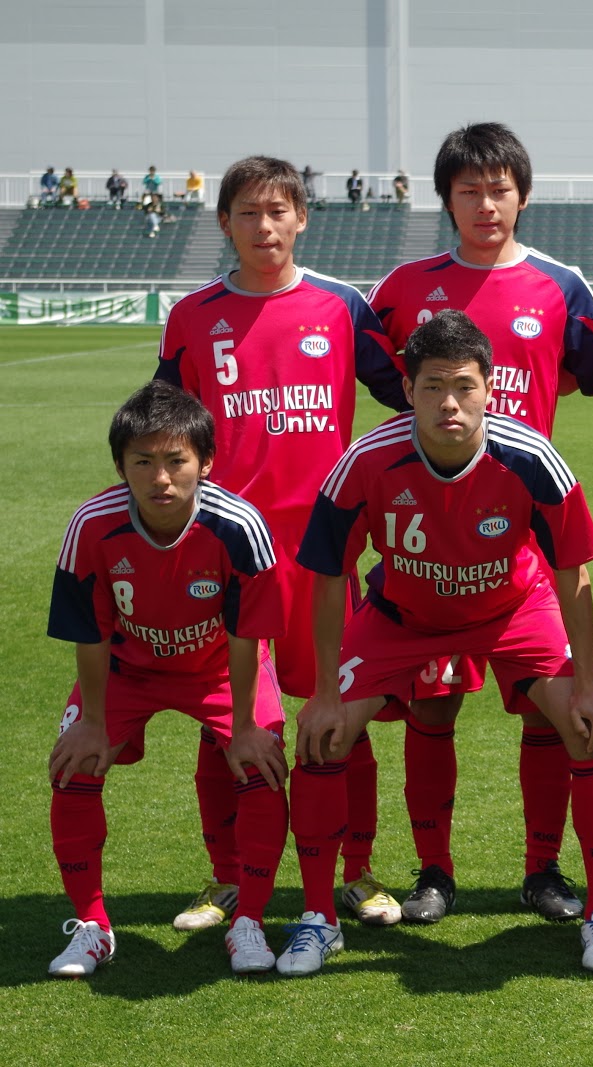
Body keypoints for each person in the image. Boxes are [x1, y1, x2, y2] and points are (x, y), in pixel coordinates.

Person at [290, 309, 593, 976]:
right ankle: (318, 918)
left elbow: (573, 570)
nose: (450, 402)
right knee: (324, 736)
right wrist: (325, 692)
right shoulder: (366, 461)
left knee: (588, 728)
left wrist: (589, 683)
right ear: (407, 389)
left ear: (490, 388)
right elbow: (328, 576)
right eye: (433, 386)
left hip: (512, 607)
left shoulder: (532, 458)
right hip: (405, 615)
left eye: (465, 386)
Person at [156, 155, 412, 935]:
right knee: (230, 723)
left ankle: (355, 871)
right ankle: (230, 876)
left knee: (342, 717)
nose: (264, 226)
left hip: (323, 553)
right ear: (225, 222)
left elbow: (412, 394)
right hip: (230, 556)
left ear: (301, 217)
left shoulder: (341, 306)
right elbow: (164, 430)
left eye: (278, 211)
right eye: (248, 212)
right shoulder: (193, 316)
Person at [366, 121, 593, 923]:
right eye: (468, 190)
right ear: (446, 199)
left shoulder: (560, 285)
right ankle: (434, 872)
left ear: (523, 196)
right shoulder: (405, 286)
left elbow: (588, 369)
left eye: (499, 189)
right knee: (434, 704)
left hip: (525, 530)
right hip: (431, 533)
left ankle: (543, 869)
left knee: (547, 704)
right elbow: (377, 371)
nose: (485, 204)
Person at [46, 382, 290, 978]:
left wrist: (244, 726)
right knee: (74, 766)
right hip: (128, 669)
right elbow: (90, 633)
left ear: (205, 462)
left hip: (218, 669)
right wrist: (93, 724)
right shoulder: (92, 525)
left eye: (176, 460)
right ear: (120, 467)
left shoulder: (239, 525)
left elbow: (247, 637)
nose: (161, 478)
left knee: (260, 765)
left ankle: (249, 921)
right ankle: (93, 927)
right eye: (143, 461)